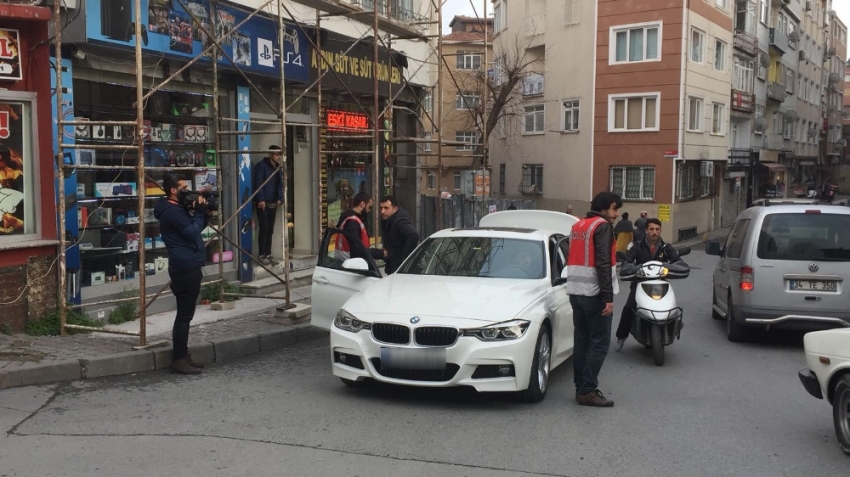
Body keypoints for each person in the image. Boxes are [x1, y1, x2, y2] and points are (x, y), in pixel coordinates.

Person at [566, 191, 621, 407]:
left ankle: (580, 388)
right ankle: (587, 391)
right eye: (615, 209)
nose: (616, 214)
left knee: (582, 342)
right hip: (595, 293)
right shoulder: (602, 226)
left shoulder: (578, 225)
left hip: (575, 292)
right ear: (604, 208)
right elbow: (603, 263)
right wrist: (607, 297)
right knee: (599, 343)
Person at [154, 174, 212, 375]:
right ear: (173, 190)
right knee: (184, 316)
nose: (187, 191)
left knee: (185, 315)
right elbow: (190, 232)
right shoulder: (172, 212)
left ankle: (183, 354)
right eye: (184, 187)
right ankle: (179, 358)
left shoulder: (176, 209)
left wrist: (205, 213)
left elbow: (196, 229)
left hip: (188, 264)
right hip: (185, 268)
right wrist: (197, 212)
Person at [614, 218, 682, 351]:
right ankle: (621, 337)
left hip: (661, 284)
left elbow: (677, 261)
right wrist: (634, 269)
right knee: (629, 307)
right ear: (646, 230)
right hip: (640, 283)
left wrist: (674, 267)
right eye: (651, 229)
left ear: (660, 230)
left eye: (657, 229)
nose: (654, 232)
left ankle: (672, 328)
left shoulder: (665, 247)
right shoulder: (637, 246)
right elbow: (627, 263)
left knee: (672, 306)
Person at [253, 145, 283, 266]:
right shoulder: (262, 166)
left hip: (273, 202)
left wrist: (280, 198)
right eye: (276, 154)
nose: (279, 157)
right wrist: (261, 199)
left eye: (280, 155)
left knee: (270, 229)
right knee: (264, 228)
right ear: (270, 155)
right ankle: (261, 254)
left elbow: (280, 184)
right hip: (264, 202)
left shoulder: (277, 168)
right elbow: (258, 183)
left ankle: (268, 253)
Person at [378, 196, 419, 274]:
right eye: (381, 208)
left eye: (386, 208)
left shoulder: (399, 221)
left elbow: (413, 235)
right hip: (394, 269)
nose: (383, 211)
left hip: (401, 271)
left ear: (395, 209)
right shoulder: (388, 222)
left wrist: (405, 261)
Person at [335, 191, 378, 263]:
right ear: (362, 204)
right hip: (350, 263)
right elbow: (357, 248)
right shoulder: (352, 222)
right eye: (369, 207)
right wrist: (380, 253)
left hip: (350, 262)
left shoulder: (352, 218)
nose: (369, 210)